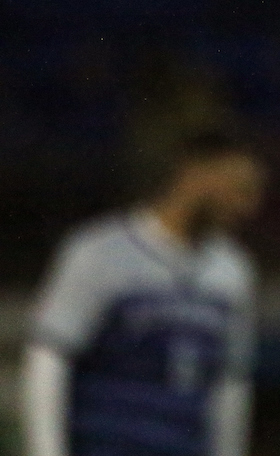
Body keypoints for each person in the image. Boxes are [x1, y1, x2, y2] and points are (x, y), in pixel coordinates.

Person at [22, 128, 264, 456]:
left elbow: (230, 384)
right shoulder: (100, 251)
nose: (247, 206)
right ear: (195, 174)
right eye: (239, 190)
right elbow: (50, 357)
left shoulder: (231, 271)